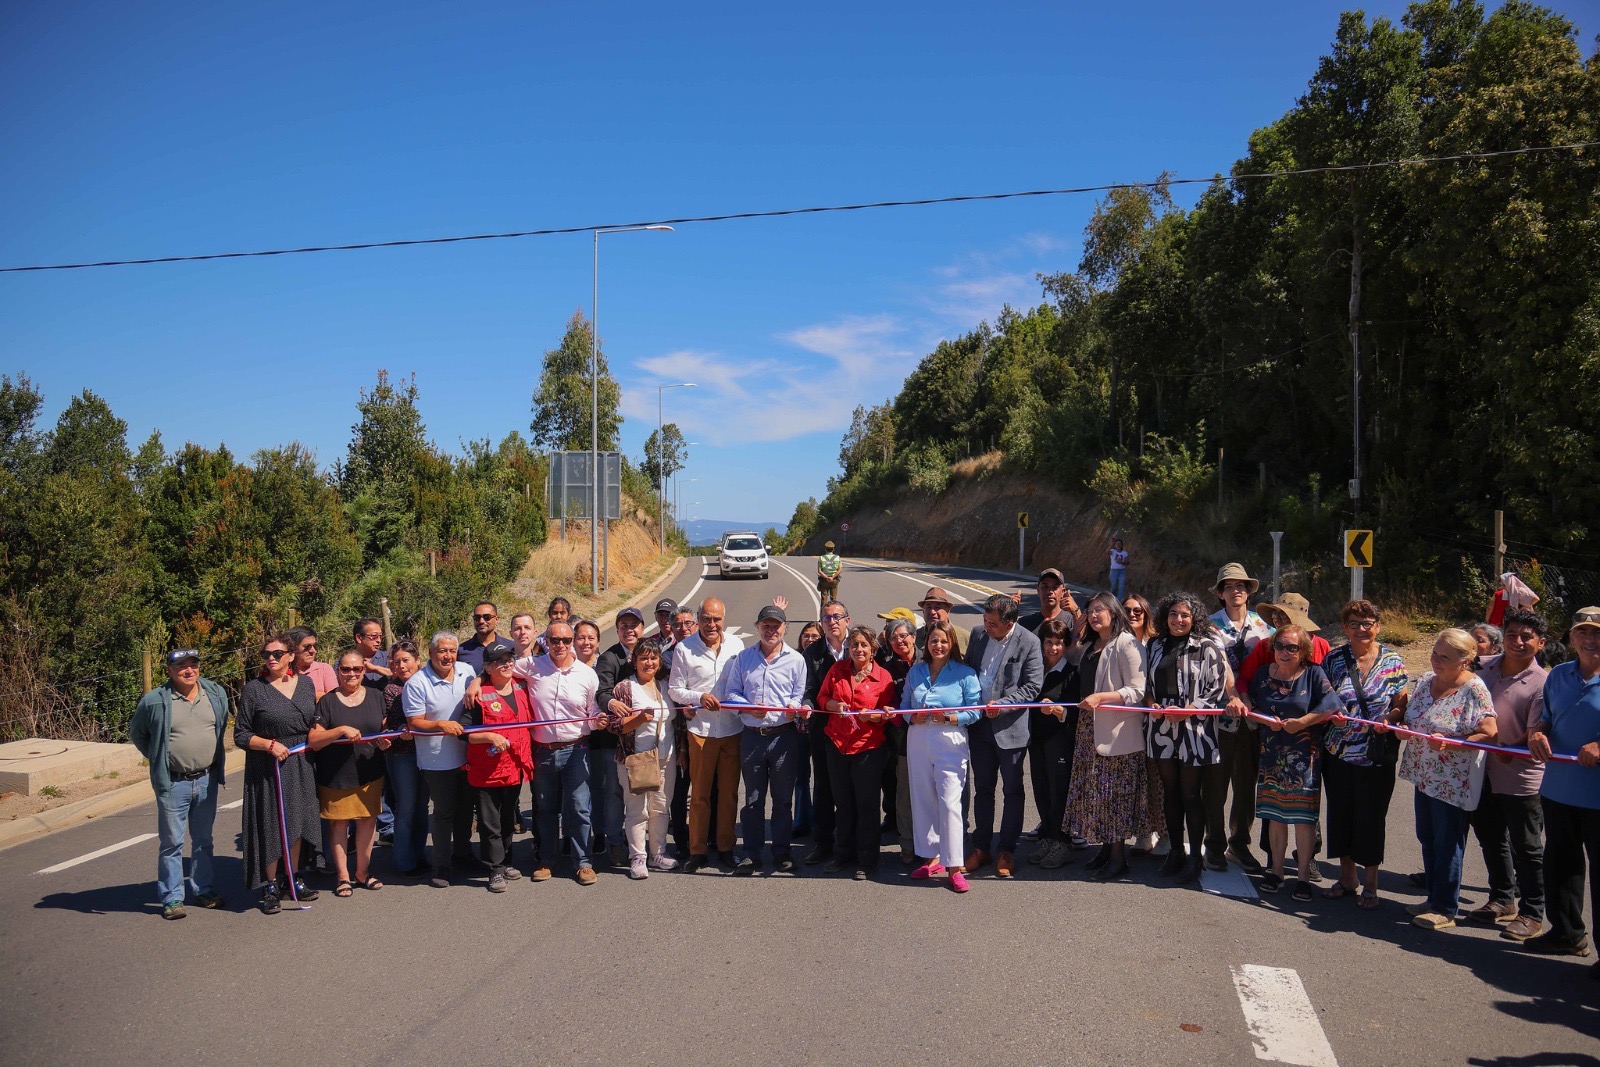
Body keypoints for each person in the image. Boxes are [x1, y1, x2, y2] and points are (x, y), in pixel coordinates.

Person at [1394, 627, 1498, 930]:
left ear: (1465, 661)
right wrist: (1400, 726)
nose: (1436, 660)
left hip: (1452, 781)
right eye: (1435, 654)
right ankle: (1433, 898)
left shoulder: (1474, 689)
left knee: (1448, 842)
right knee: (1427, 837)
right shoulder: (1426, 680)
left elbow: (1490, 731)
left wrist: (1455, 742)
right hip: (1423, 774)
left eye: (1445, 657)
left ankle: (1445, 907)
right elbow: (1412, 718)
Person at [1319, 600, 1409, 909]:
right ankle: (1347, 878)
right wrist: (1329, 713)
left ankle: (1371, 883)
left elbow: (1401, 702)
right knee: (1342, 813)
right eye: (1355, 623)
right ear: (1345, 628)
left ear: (1378, 627)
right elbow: (1322, 697)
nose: (1362, 629)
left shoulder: (1393, 660)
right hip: (1338, 751)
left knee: (1371, 818)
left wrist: (1392, 719)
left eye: (1368, 623)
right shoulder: (1333, 659)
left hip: (1376, 753)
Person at [130, 648, 231, 920]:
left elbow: (221, 726)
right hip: (173, 783)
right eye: (181, 666)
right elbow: (138, 734)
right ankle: (172, 898)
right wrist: (159, 757)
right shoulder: (154, 701)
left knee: (203, 840)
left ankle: (204, 890)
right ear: (169, 671)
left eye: (193, 664)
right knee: (172, 843)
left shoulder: (215, 693)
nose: (189, 670)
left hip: (207, 779)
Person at [1467, 608, 1548, 940]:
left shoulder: (1543, 683)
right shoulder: (1482, 667)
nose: (1518, 641)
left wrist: (1502, 744)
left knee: (1526, 846)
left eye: (1527, 637)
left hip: (1521, 777)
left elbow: (1536, 730)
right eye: (1512, 634)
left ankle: (1533, 912)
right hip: (1480, 771)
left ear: (1540, 643)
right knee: (1490, 837)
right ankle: (1503, 899)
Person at [1525, 607, 1600, 964]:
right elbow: (1547, 720)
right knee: (1561, 867)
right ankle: (1567, 934)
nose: (1590, 640)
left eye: (1598, 633)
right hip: (1558, 790)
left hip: (1597, 798)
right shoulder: (1558, 676)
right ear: (1571, 639)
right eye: (1583, 633)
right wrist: (1538, 733)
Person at [1064, 593, 1154, 881]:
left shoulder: (1128, 644)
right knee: (1098, 793)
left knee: (1114, 795)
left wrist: (1101, 697)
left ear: (1114, 613)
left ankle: (1118, 859)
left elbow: (1137, 691)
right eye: (1090, 610)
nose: (1093, 614)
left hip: (1116, 732)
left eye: (1099, 610)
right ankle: (1105, 851)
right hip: (1089, 726)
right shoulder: (1090, 645)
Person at [1248, 624, 1342, 901]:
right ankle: (1276, 871)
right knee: (1275, 816)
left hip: (1305, 759)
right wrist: (1260, 718)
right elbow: (1248, 702)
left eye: (1292, 647)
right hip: (1271, 756)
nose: (1285, 652)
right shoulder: (1264, 674)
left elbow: (1331, 703)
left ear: (1303, 651)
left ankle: (1302, 876)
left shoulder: (1313, 673)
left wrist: (1302, 722)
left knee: (1303, 820)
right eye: (1280, 646)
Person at [1144, 592, 1228, 885]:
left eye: (1185, 616)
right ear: (1165, 616)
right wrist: (1152, 702)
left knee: (1191, 794)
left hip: (1195, 728)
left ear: (1194, 619)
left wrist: (1188, 711)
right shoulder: (1154, 645)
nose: (1178, 620)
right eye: (1173, 615)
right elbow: (1146, 684)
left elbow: (1217, 690)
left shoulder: (1208, 647)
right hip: (1162, 726)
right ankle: (1175, 851)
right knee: (1170, 792)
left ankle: (1195, 857)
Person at [236, 632, 322, 913]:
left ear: (291, 656)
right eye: (266, 655)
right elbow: (241, 735)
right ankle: (270, 884)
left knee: (297, 821)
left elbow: (315, 719)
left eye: (277, 654)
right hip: (269, 765)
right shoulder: (254, 690)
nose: (271, 659)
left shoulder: (306, 684)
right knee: (273, 823)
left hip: (301, 762)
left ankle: (292, 877)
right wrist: (268, 745)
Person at [722, 604, 807, 874]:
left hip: (783, 738)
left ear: (785, 629)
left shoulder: (796, 660)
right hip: (752, 738)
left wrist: (793, 708)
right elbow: (731, 693)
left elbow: (798, 694)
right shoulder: (743, 658)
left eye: (776, 626)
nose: (771, 631)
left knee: (782, 800)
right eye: (766, 626)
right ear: (757, 627)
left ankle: (782, 853)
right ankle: (751, 854)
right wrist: (747, 707)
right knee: (753, 800)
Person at [963, 594, 1043, 878]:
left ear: (1011, 622)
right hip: (980, 727)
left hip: (1011, 730)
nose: (987, 627)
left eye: (993, 623)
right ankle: (981, 847)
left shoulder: (1029, 642)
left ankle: (1007, 850)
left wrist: (1005, 705)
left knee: (1013, 791)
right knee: (983, 789)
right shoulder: (977, 635)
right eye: (985, 621)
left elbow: (1033, 685)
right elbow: (969, 673)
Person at [518, 621, 601, 886]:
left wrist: (597, 721)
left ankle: (583, 863)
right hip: (542, 751)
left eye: (566, 640)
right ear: (546, 642)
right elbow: (500, 669)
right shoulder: (532, 666)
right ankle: (547, 860)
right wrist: (476, 682)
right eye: (555, 641)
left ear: (574, 641)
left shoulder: (587, 674)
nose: (561, 646)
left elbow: (593, 711)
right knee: (545, 809)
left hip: (576, 748)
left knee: (578, 808)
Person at [903, 621, 983, 893]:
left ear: (952, 645)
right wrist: (913, 715)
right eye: (934, 641)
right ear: (926, 644)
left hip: (950, 738)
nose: (938, 646)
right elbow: (904, 707)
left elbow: (975, 711)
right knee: (923, 799)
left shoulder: (965, 674)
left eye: (944, 641)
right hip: (918, 737)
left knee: (950, 801)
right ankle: (932, 857)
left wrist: (949, 716)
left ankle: (954, 865)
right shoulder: (915, 672)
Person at [670, 597, 745, 874]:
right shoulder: (684, 648)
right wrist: (698, 697)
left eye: (716, 619)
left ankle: (726, 848)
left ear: (723, 618)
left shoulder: (737, 646)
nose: (711, 624)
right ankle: (697, 851)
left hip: (732, 729)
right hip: (700, 731)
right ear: (698, 619)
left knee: (728, 794)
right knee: (700, 795)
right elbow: (675, 689)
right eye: (706, 619)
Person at [308, 650, 391, 897]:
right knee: (338, 825)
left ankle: (362, 873)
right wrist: (340, 730)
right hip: (336, 775)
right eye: (346, 669)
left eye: (356, 669)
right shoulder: (328, 701)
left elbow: (384, 729)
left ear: (364, 671)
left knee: (367, 823)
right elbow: (314, 739)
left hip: (369, 772)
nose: (352, 674)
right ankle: (343, 877)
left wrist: (385, 741)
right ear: (338, 672)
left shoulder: (377, 697)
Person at [816, 626, 896, 879]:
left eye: (864, 645)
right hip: (838, 744)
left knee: (866, 805)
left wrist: (875, 717)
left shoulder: (884, 677)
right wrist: (833, 705)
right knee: (844, 803)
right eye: (854, 645)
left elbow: (889, 714)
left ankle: (867, 859)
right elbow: (821, 698)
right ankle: (843, 854)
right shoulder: (837, 670)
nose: (858, 649)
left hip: (868, 749)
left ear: (873, 650)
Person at [1209, 563, 1273, 873]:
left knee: (1246, 784)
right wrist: (1233, 695)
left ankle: (1240, 842)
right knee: (1217, 783)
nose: (1237, 591)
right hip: (1219, 714)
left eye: (1242, 586)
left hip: (1254, 715)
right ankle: (1215, 844)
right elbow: (1216, 668)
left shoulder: (1265, 627)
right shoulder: (1208, 627)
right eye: (1230, 586)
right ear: (1220, 593)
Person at [403, 631, 478, 889]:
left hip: (467, 755)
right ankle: (441, 864)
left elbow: (483, 677)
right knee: (444, 813)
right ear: (431, 654)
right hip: (436, 760)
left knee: (466, 811)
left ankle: (464, 854)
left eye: (452, 651)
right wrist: (440, 725)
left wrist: (477, 683)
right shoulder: (417, 683)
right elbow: (414, 722)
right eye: (442, 651)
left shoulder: (466, 670)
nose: (448, 656)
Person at [464, 642, 534, 893]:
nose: (506, 665)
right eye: (499, 661)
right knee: (489, 822)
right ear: (487, 667)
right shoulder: (477, 694)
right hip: (487, 771)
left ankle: (506, 861)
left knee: (507, 819)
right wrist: (490, 737)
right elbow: (465, 733)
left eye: (509, 660)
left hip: (515, 766)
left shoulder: (522, 686)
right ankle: (494, 869)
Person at [609, 638, 678, 878]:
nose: (649, 663)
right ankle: (638, 857)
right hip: (636, 759)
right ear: (634, 661)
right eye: (643, 658)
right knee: (637, 811)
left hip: (665, 758)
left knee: (660, 808)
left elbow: (676, 720)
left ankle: (658, 853)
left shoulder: (666, 685)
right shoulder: (624, 688)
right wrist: (639, 719)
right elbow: (615, 726)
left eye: (653, 658)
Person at [593, 606, 646, 867]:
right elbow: (601, 692)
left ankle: (640, 841)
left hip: (643, 738)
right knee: (614, 793)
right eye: (624, 626)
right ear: (617, 630)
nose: (630, 630)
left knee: (642, 791)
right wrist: (611, 703)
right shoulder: (609, 658)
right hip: (613, 741)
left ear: (642, 628)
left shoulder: (648, 652)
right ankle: (615, 842)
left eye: (634, 625)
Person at [800, 598, 851, 865]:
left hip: (856, 732)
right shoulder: (813, 653)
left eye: (836, 617)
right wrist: (808, 705)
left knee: (850, 788)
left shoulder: (860, 646)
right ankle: (823, 843)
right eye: (827, 618)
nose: (832, 622)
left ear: (847, 621)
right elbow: (808, 690)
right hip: (823, 731)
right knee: (823, 787)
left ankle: (850, 842)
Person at [1027, 618, 1078, 869]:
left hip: (1059, 741)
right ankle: (1048, 836)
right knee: (1041, 789)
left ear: (1066, 645)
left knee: (1059, 792)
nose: (1053, 648)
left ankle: (1062, 842)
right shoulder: (1036, 670)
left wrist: (1059, 711)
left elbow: (1078, 712)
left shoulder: (1071, 673)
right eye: (1049, 642)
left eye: (1058, 643)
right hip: (1036, 740)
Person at [380, 640, 431, 875]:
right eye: (397, 661)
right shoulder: (391, 690)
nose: (401, 666)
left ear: (417, 661)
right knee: (406, 807)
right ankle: (403, 861)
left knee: (422, 806)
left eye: (406, 660)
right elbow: (390, 723)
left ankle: (419, 854)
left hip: (427, 754)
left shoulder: (428, 683)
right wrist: (402, 731)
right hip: (402, 755)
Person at [877, 618, 920, 863]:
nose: (899, 641)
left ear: (914, 636)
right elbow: (888, 702)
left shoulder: (929, 659)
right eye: (894, 638)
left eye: (904, 636)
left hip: (931, 734)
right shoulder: (888, 669)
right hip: (901, 738)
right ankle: (907, 843)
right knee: (903, 792)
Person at [1235, 595, 1331, 690]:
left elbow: (1329, 683)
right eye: (1274, 614)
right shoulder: (1265, 646)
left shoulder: (1321, 645)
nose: (1276, 619)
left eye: (1282, 615)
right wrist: (1244, 699)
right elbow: (1244, 679)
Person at [1017, 568, 1081, 634]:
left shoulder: (1072, 621)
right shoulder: (1024, 623)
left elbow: (1082, 639)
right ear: (1038, 590)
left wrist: (1076, 611)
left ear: (1063, 592)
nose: (1049, 591)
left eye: (1055, 587)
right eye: (1045, 587)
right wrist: (1009, 611)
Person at [287, 626, 337, 699]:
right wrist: (318, 695)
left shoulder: (324, 669)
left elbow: (332, 700)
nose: (313, 651)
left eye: (315, 646)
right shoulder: (282, 671)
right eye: (307, 647)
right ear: (293, 648)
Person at [458, 602, 508, 674]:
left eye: (487, 617)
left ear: (496, 619)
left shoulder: (510, 647)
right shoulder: (461, 651)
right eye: (477, 618)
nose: (481, 621)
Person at [917, 587, 967, 658]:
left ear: (947, 611)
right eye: (928, 607)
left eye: (937, 607)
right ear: (923, 611)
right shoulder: (915, 637)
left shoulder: (964, 637)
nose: (932, 612)